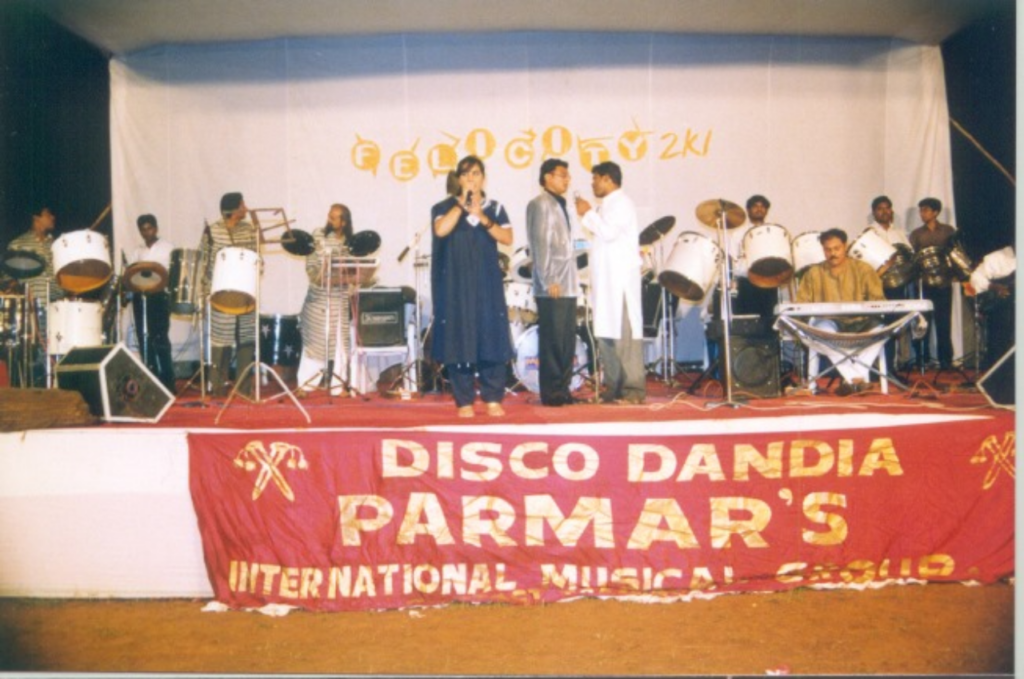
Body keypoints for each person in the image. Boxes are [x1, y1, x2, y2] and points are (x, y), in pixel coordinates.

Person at [430, 155, 514, 418]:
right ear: (459, 179)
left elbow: (507, 238)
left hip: (487, 284)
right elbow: (441, 231)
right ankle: (463, 400)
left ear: (483, 177)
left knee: (491, 337)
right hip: (455, 287)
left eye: (475, 174)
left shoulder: (496, 208)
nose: (471, 179)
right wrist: (461, 206)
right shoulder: (442, 207)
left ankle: (492, 398)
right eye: (465, 175)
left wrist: (482, 217)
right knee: (459, 340)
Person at [575, 161, 645, 405]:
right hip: (604, 283)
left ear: (607, 179)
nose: (593, 184)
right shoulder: (605, 206)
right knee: (606, 334)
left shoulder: (622, 203)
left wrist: (587, 213)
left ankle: (633, 391)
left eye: (595, 179)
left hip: (620, 283)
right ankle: (613, 388)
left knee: (624, 336)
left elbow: (609, 232)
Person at [795, 228, 886, 394]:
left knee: (881, 331)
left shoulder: (864, 269)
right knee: (822, 331)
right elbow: (801, 304)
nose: (833, 253)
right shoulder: (813, 273)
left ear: (845, 246)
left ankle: (851, 379)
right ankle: (858, 379)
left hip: (860, 321)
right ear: (823, 249)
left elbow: (878, 300)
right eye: (828, 250)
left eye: (837, 248)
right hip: (829, 321)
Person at [526, 159, 578, 406]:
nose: (566, 180)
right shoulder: (540, 204)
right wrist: (549, 279)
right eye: (561, 175)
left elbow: (567, 245)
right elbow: (540, 243)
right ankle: (552, 393)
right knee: (553, 341)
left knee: (567, 341)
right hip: (553, 284)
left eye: (568, 176)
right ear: (547, 177)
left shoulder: (563, 205)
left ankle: (564, 389)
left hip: (569, 282)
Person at [200, 192, 258, 396]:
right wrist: (206, 293)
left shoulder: (249, 230)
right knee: (221, 341)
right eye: (242, 205)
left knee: (246, 340)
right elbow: (204, 263)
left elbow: (254, 258)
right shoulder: (212, 231)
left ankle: (244, 388)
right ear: (233, 210)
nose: (245, 208)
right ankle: (217, 387)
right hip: (221, 294)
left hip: (244, 293)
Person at [297, 204, 354, 393]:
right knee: (315, 344)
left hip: (339, 299)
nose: (329, 220)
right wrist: (319, 277)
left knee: (340, 345)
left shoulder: (350, 243)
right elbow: (311, 266)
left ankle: (338, 387)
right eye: (329, 216)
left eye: (334, 218)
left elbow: (354, 271)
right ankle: (305, 385)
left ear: (344, 222)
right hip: (318, 300)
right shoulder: (318, 236)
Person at [6, 206, 62, 386]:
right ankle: (38, 389)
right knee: (37, 354)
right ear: (36, 217)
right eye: (49, 214)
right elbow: (9, 279)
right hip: (31, 308)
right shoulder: (19, 244)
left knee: (55, 351)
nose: (53, 217)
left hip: (55, 306)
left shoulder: (55, 245)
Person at [127, 214, 176, 392]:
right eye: (143, 229)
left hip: (159, 298)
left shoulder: (168, 248)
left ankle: (168, 383)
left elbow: (173, 274)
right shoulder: (137, 251)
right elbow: (130, 274)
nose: (147, 232)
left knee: (160, 338)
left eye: (149, 228)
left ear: (156, 228)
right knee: (143, 338)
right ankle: (152, 381)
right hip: (141, 297)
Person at [909, 197, 957, 370]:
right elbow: (911, 259)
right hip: (923, 284)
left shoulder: (948, 231)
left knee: (944, 323)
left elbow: (955, 254)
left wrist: (953, 274)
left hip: (943, 284)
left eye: (926, 210)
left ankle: (946, 361)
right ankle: (922, 359)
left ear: (936, 212)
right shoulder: (916, 234)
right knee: (922, 323)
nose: (923, 213)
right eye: (921, 210)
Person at [866, 195, 913, 371]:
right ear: (874, 212)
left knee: (895, 326)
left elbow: (909, 257)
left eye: (887, 208)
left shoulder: (900, 234)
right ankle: (877, 368)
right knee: (878, 327)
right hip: (877, 287)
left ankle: (893, 367)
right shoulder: (869, 233)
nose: (884, 212)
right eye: (880, 208)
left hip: (898, 287)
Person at [965, 245, 1015, 368]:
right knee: (1000, 342)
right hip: (1003, 308)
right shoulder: (996, 258)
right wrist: (993, 287)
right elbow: (975, 278)